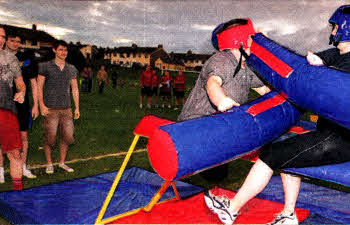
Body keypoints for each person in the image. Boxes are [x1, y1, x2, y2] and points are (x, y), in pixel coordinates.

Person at [204, 6, 350, 225]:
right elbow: (298, 68)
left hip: (341, 138)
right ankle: (289, 214)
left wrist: (321, 73)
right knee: (289, 150)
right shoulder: (336, 54)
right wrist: (265, 46)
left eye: (336, 26)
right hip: (331, 133)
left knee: (273, 153)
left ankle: (231, 208)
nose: (333, 31)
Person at [178, 18, 270, 182]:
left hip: (222, 123)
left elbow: (263, 89)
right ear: (240, 42)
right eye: (252, 40)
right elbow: (213, 82)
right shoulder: (222, 60)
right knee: (215, 173)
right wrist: (222, 100)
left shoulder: (245, 65)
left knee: (219, 173)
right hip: (197, 123)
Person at [0, 30, 39, 181]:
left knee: (23, 137)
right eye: (11, 40)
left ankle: (23, 167)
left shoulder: (26, 59)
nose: (15, 44)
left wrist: (35, 104)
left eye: (18, 41)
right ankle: (1, 170)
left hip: (22, 105)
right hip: (4, 104)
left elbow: (34, 83)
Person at [37, 39, 80, 174]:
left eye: (65, 50)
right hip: (50, 108)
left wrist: (77, 107)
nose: (63, 52)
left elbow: (75, 88)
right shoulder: (45, 66)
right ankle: (49, 163)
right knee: (50, 137)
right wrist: (41, 105)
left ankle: (62, 162)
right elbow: (39, 87)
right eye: (60, 49)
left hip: (66, 108)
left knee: (67, 136)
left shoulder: (71, 68)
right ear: (54, 50)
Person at [0, 25, 26, 190]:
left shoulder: (11, 58)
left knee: (15, 153)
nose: (1, 39)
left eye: (2, 36)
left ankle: (18, 194)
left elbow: (20, 84)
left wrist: (22, 93)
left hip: (6, 110)